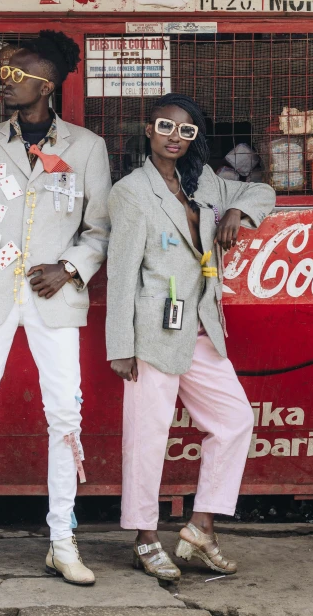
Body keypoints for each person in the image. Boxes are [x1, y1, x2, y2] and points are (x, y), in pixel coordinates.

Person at [0, 31, 112, 585]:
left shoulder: (86, 146)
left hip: (55, 300)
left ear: (46, 84)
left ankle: (62, 537)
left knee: (64, 416)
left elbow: (99, 228)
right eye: (3, 72)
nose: (3, 81)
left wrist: (71, 267)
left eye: (16, 73)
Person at [106, 93, 275, 582]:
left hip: (201, 328)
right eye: (165, 126)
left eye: (186, 131)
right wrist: (120, 346)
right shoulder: (131, 191)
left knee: (235, 420)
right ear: (148, 129)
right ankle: (144, 537)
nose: (174, 137)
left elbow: (261, 191)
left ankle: (200, 527)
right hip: (152, 333)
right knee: (147, 437)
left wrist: (236, 216)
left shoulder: (203, 184)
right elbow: (121, 275)